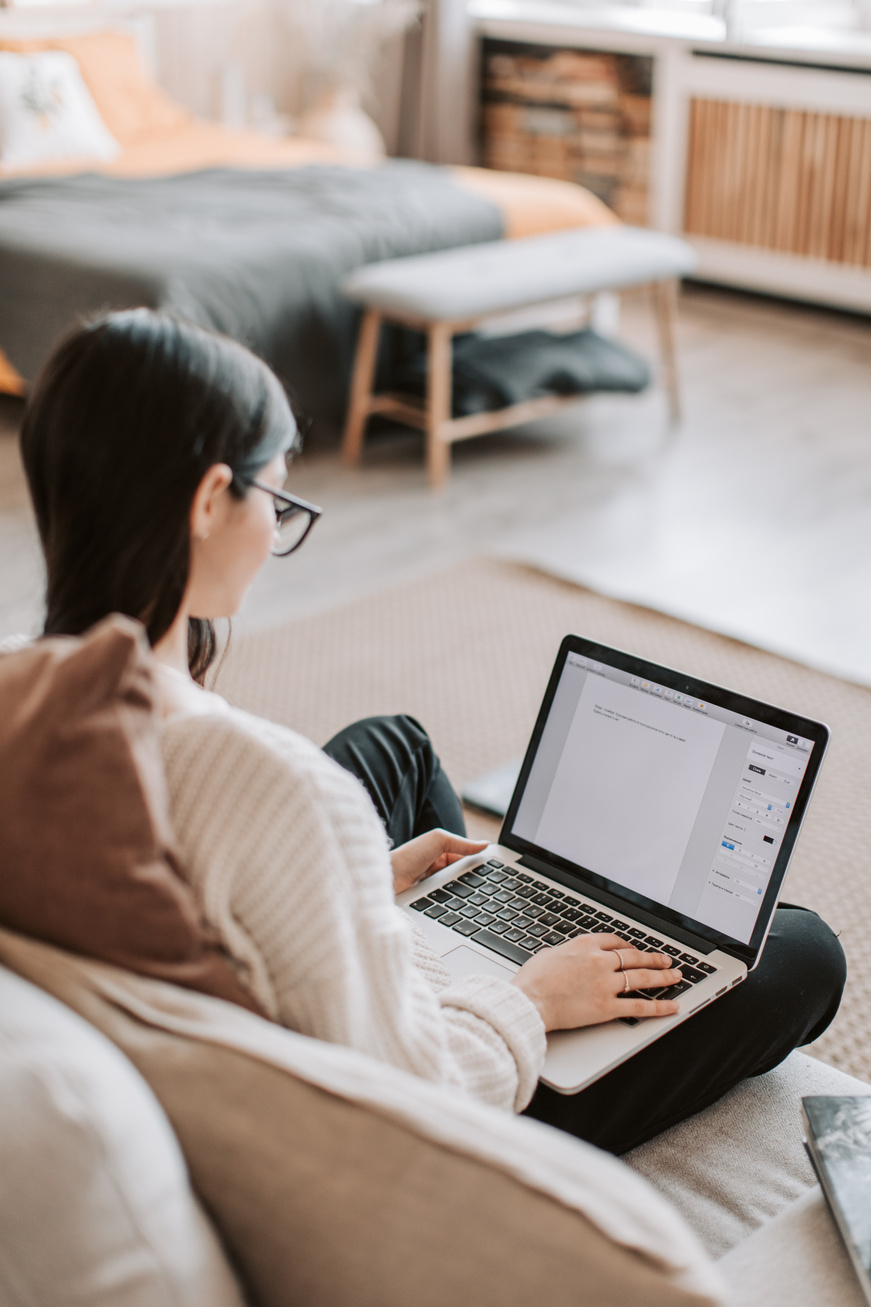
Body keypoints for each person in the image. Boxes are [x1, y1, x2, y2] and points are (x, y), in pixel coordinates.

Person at [19, 309, 846, 1155]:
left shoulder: (27, 691)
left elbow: (224, 897)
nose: (276, 528)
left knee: (396, 744)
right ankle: (501, 952)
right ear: (206, 501)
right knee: (803, 951)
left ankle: (475, 916)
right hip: (455, 1106)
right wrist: (531, 996)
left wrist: (357, 886)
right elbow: (411, 1091)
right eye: (276, 496)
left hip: (278, 966)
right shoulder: (270, 788)